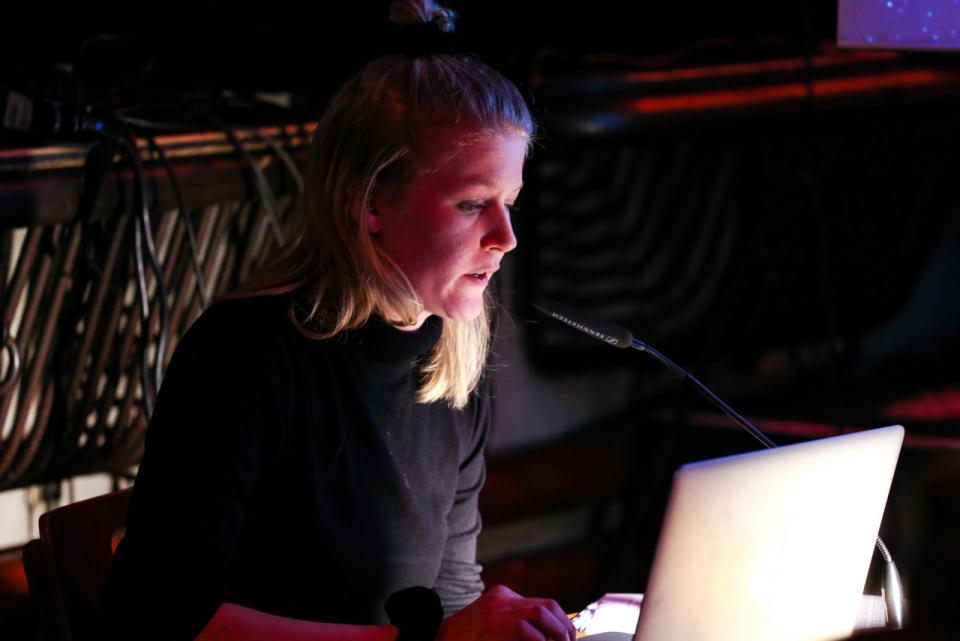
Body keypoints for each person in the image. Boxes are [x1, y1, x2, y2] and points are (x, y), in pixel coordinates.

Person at [104, 2, 578, 641]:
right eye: (472, 204)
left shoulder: (453, 356)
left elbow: (447, 593)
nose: (506, 237)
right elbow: (158, 616)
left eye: (511, 203)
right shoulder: (242, 356)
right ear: (370, 202)